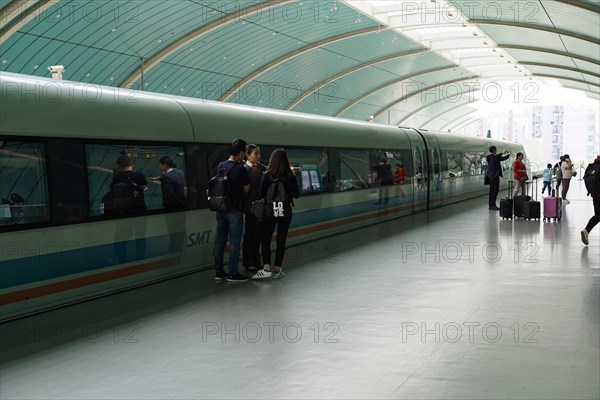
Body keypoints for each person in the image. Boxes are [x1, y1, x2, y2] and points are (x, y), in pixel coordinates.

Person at [252, 148, 300, 280]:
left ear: (272, 160)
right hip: (285, 212)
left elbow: (261, 194)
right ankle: (278, 269)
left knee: (266, 239)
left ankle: (266, 268)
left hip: (269, 212)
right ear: (286, 160)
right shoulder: (290, 175)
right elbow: (296, 194)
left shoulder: (266, 175)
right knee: (281, 240)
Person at [213, 139, 250, 282]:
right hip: (234, 209)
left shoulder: (221, 165)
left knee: (220, 241)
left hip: (220, 208)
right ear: (241, 153)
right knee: (234, 242)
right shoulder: (241, 168)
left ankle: (219, 272)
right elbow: (246, 188)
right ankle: (233, 273)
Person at [110, 155, 148, 263]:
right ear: (131, 163)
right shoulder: (139, 175)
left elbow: (111, 190)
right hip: (139, 210)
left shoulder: (117, 177)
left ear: (120, 166)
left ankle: (122, 258)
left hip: (123, 211)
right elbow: (144, 187)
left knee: (123, 236)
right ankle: (140, 258)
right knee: (140, 236)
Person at [242, 144, 264, 272]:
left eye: (259, 153)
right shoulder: (244, 169)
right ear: (247, 155)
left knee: (259, 234)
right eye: (255, 154)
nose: (258, 156)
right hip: (250, 207)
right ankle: (248, 262)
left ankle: (257, 260)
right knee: (250, 234)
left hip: (261, 206)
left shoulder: (260, 167)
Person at [581, 155, 600, 245]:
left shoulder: (592, 166)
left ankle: (586, 230)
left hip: (595, 195)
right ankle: (586, 231)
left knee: (598, 216)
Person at [485, 146, 511, 210]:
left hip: (489, 176)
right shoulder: (495, 158)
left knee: (491, 190)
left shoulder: (488, 157)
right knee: (495, 190)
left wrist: (502, 153)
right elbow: (504, 158)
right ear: (494, 150)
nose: (496, 151)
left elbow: (495, 156)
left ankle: (490, 205)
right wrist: (508, 154)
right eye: (495, 150)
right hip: (495, 176)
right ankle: (493, 205)